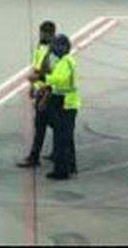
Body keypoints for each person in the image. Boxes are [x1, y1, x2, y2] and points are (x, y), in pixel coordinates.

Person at [16, 20, 57, 168]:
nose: (43, 35)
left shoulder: (53, 52)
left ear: (52, 34)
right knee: (48, 124)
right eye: (42, 33)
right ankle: (56, 152)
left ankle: (35, 156)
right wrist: (32, 86)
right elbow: (36, 67)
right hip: (40, 89)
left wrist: (45, 94)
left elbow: (50, 74)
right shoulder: (40, 47)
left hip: (47, 91)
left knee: (42, 125)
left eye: (46, 33)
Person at [45, 33, 79, 180]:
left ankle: (61, 170)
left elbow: (59, 79)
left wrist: (43, 78)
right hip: (66, 101)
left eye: (55, 46)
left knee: (61, 138)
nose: (53, 49)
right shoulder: (65, 61)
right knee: (67, 137)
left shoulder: (65, 63)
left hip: (65, 103)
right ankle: (71, 165)